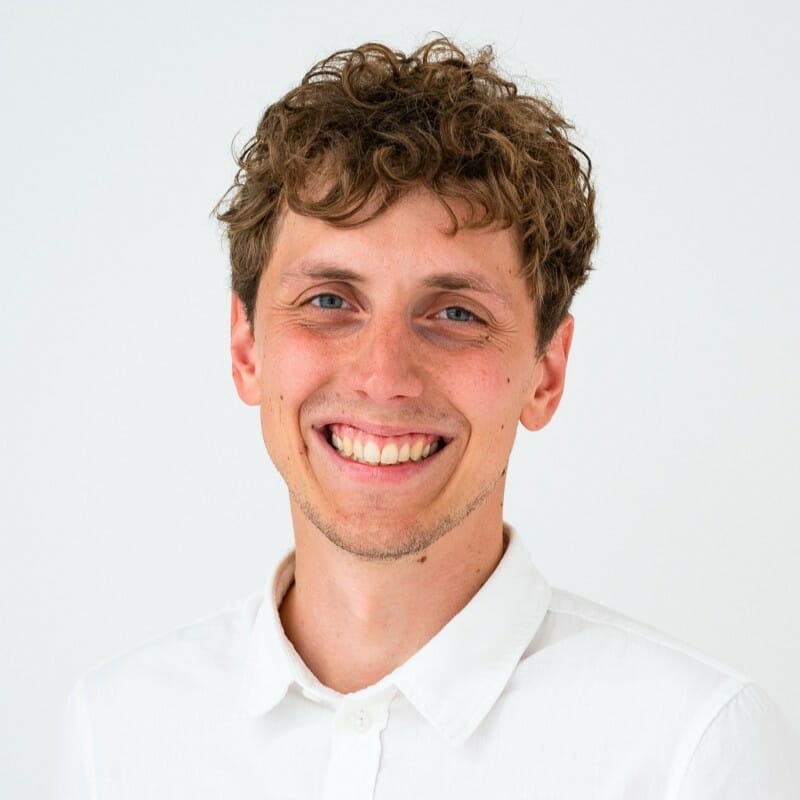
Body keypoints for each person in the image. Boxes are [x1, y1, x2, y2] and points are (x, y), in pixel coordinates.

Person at [55, 37, 800, 798]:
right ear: (247, 348)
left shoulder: (691, 752)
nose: (384, 376)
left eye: (453, 312)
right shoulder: (117, 733)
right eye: (329, 301)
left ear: (546, 373)